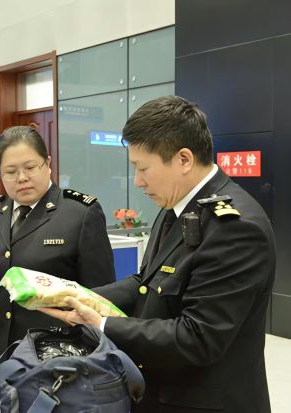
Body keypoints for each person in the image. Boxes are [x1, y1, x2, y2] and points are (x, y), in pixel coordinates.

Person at [40, 96, 275, 412]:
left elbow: (198, 337)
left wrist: (103, 323)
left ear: (184, 159)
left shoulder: (235, 228)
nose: (138, 182)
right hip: (160, 392)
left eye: (143, 169)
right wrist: (77, 295)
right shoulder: (176, 206)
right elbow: (145, 283)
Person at [0, 125, 116, 365]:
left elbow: (99, 298)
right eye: (11, 171)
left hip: (54, 362)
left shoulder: (79, 214)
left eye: (30, 167)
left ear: (48, 164)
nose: (22, 178)